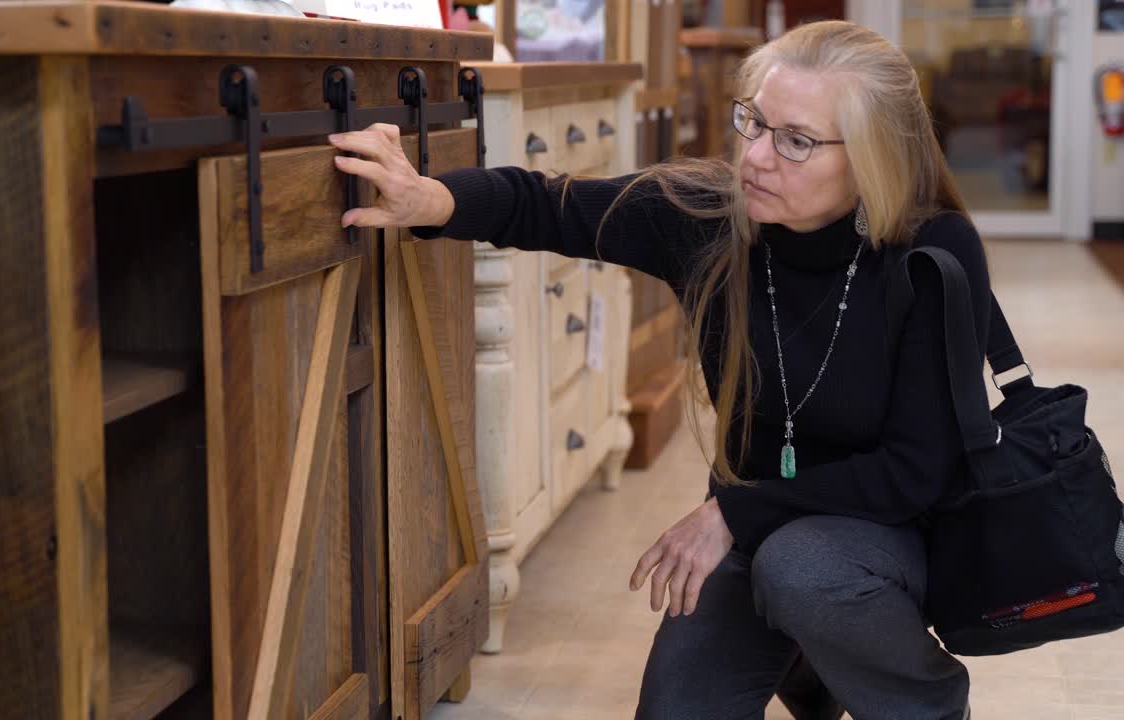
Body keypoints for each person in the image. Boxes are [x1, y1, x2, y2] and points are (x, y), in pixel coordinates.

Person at [328, 20, 983, 720]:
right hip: (756, 532)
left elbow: (918, 470)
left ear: (872, 157)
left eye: (796, 140)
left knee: (802, 571)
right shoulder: (710, 219)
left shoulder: (932, 253)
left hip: (885, 537)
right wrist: (433, 200)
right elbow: (551, 205)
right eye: (753, 123)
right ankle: (809, 657)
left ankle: (925, 700)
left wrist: (732, 512)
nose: (756, 157)